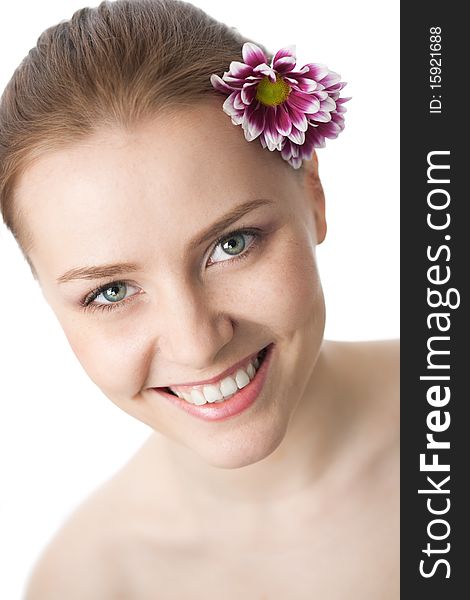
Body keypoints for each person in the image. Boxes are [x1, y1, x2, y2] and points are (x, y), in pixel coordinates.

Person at [0, 0, 399, 598]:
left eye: (232, 244)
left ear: (312, 193)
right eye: (111, 291)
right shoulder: (89, 585)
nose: (197, 343)